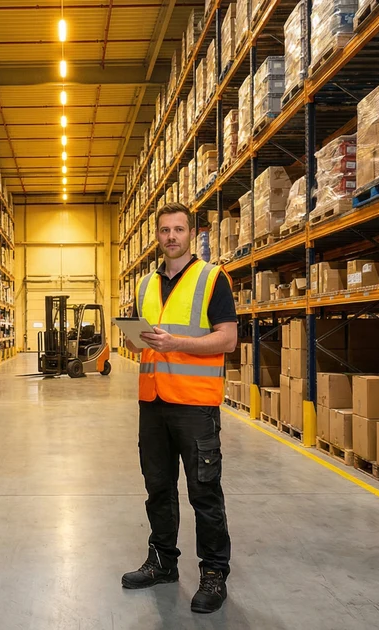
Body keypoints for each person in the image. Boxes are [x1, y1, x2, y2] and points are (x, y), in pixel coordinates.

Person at [120, 202, 237, 614]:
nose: (171, 236)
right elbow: (141, 341)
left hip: (194, 405)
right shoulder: (145, 284)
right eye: (165, 230)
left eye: (179, 230)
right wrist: (134, 339)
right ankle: (163, 561)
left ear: (192, 234)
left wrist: (178, 344)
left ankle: (213, 574)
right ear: (157, 235)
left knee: (204, 492)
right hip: (152, 402)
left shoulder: (211, 279)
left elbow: (227, 340)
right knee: (158, 488)